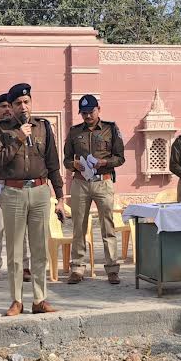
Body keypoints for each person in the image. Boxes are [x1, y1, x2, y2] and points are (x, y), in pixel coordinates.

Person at [0, 83, 66, 317]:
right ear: (10, 106)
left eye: (26, 102)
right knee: (15, 250)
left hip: (40, 192)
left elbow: (52, 163)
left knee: (40, 249)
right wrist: (18, 139)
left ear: (31, 103)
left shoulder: (43, 127)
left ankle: (39, 299)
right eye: (18, 103)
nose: (23, 107)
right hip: (13, 192)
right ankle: (17, 300)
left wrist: (60, 197)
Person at [63, 94, 125, 285]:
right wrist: (73, 164)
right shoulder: (74, 132)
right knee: (78, 227)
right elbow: (66, 159)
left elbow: (120, 158)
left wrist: (104, 162)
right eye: (84, 113)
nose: (88, 116)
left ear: (99, 109)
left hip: (103, 182)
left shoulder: (110, 129)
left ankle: (112, 269)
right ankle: (77, 268)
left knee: (108, 226)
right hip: (80, 183)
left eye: (91, 111)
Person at [0, 93, 30, 284]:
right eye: (3, 106)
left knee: (19, 227)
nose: (7, 110)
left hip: (17, 183)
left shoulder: (23, 129)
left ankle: (24, 265)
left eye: (9, 106)